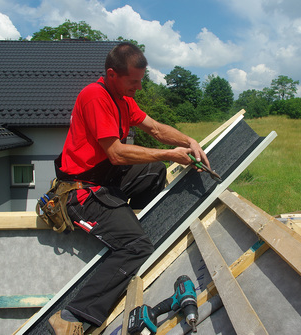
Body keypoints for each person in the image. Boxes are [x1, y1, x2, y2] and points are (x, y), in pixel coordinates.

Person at [47, 42, 210, 335]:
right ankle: (72, 315)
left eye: (141, 80)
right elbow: (117, 153)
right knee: (138, 246)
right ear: (112, 74)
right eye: (133, 81)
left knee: (153, 171)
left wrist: (188, 142)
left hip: (105, 180)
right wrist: (169, 153)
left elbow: (157, 129)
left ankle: (125, 222)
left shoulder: (123, 98)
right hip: (81, 192)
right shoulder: (95, 96)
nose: (138, 87)